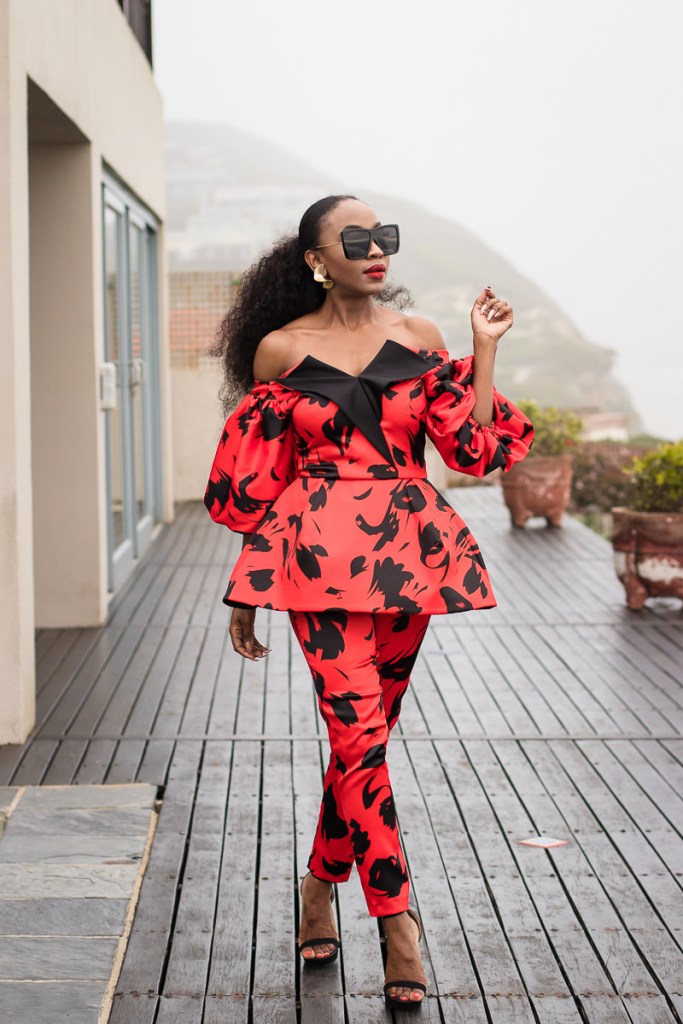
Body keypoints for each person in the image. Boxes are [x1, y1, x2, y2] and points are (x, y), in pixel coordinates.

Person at [204, 194, 534, 1008]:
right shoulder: (281, 351)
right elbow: (261, 479)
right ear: (316, 259)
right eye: (355, 239)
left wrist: (481, 351)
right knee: (358, 735)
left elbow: (470, 450)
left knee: (364, 743)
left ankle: (319, 884)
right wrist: (247, 585)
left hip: (407, 559)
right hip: (314, 561)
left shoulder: (417, 338)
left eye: (383, 236)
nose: (376, 249)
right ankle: (397, 923)